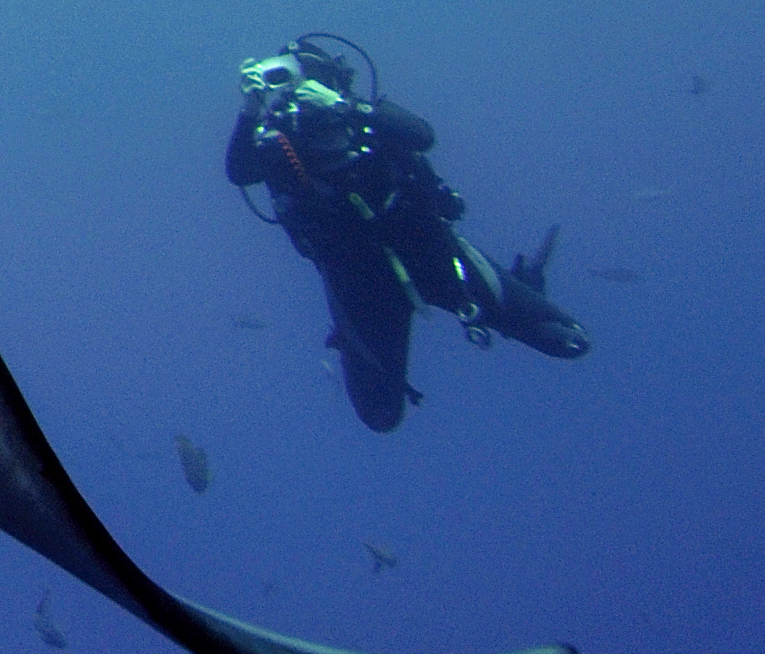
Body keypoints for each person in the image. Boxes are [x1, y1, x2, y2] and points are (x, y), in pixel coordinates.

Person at [228, 35, 586, 432]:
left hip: (435, 255)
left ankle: (522, 288)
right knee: (381, 419)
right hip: (358, 286)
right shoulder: (274, 140)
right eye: (287, 80)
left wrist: (348, 108)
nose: (301, 89)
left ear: (335, 78)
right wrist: (249, 111)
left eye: (312, 77)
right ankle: (353, 341)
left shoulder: (365, 116)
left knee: (572, 341)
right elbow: (238, 173)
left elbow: (422, 136)